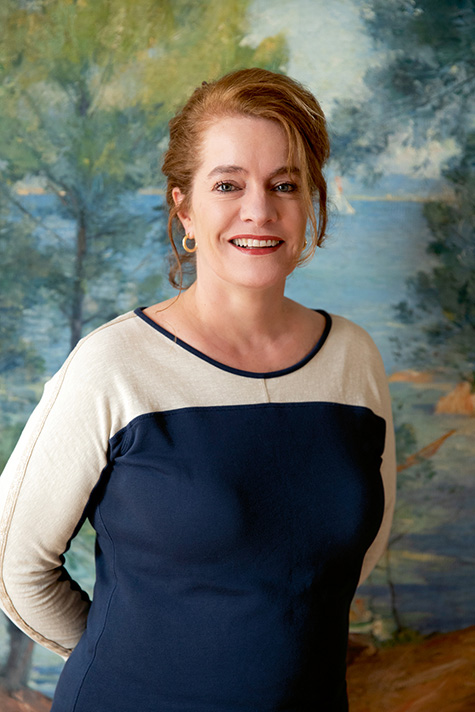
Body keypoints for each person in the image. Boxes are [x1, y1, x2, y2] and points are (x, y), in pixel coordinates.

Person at [0, 68, 396, 711]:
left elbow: (354, 554)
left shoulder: (353, 357)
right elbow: (13, 566)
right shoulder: (113, 365)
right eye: (228, 184)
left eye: (284, 184)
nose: (259, 210)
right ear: (184, 207)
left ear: (310, 203)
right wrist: (130, 659)